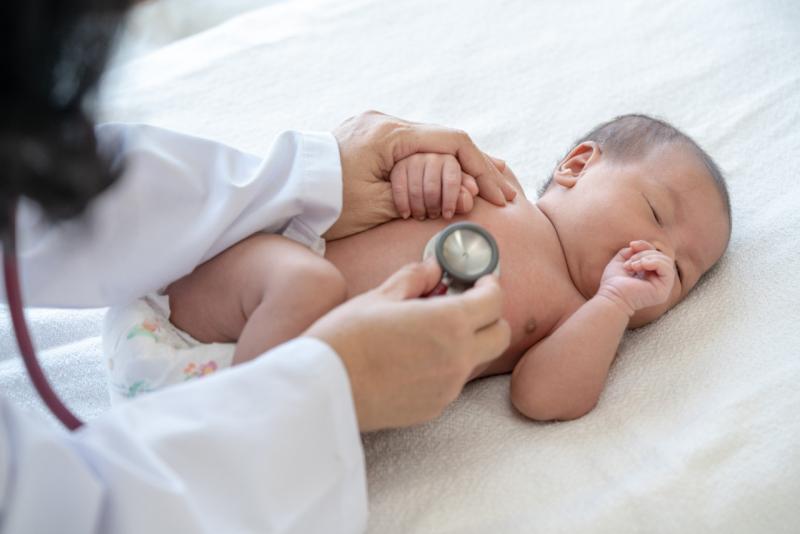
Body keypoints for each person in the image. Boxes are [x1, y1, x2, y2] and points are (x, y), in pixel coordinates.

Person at [0, 2, 516, 532]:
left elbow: (43, 186)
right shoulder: (513, 195)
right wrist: (324, 392)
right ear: (576, 164)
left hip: (210, 343)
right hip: (201, 346)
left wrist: (309, 179)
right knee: (306, 282)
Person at [106, 115, 732, 422]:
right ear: (576, 165)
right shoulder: (498, 188)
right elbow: (385, 181)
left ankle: (244, 425)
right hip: (215, 302)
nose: (656, 253)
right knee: (309, 282)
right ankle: (244, 429)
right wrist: (422, 171)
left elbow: (541, 398)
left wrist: (613, 305)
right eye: (654, 211)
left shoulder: (576, 317)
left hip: (237, 374)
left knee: (318, 376)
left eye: (683, 270)